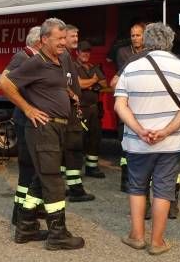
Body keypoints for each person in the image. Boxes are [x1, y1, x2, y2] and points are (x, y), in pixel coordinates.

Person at [0, 17, 85, 250]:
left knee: (40, 177)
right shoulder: (36, 62)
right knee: (53, 180)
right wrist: (28, 109)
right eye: (59, 39)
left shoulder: (61, 59)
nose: (64, 43)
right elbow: (4, 83)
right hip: (43, 130)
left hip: (58, 127)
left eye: (65, 38)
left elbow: (54, 83)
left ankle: (25, 228)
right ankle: (58, 234)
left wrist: (67, 93)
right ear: (44, 39)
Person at [114, 22, 180, 255]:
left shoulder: (131, 68)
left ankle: (137, 236)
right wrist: (166, 131)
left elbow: (120, 105)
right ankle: (157, 241)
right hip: (171, 143)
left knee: (137, 187)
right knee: (163, 189)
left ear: (147, 41)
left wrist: (139, 129)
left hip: (136, 142)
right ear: (170, 42)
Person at [0, 26, 43, 226]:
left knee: (34, 169)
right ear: (39, 42)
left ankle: (32, 208)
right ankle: (20, 214)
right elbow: (4, 81)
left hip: (31, 120)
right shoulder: (22, 57)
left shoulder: (35, 59)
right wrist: (26, 107)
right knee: (27, 168)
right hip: (24, 120)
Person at [110, 23, 148, 191]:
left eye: (138, 35)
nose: (135, 38)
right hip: (127, 101)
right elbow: (120, 78)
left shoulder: (150, 52)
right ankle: (125, 180)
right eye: (132, 35)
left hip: (143, 103)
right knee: (125, 141)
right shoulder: (123, 53)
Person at [62, 24, 95, 202]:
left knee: (64, 150)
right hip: (68, 111)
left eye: (77, 35)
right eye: (72, 36)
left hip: (68, 110)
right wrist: (72, 94)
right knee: (74, 149)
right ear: (63, 37)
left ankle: (62, 186)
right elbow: (61, 81)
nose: (76, 39)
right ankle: (75, 190)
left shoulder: (65, 56)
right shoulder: (65, 56)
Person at [75, 40, 107, 179]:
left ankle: (91, 168)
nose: (86, 54)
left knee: (95, 138)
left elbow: (104, 83)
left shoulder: (93, 67)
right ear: (77, 52)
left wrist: (90, 84)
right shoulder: (73, 67)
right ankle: (74, 171)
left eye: (88, 52)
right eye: (83, 51)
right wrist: (94, 81)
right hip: (81, 109)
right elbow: (78, 84)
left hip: (94, 109)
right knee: (78, 140)